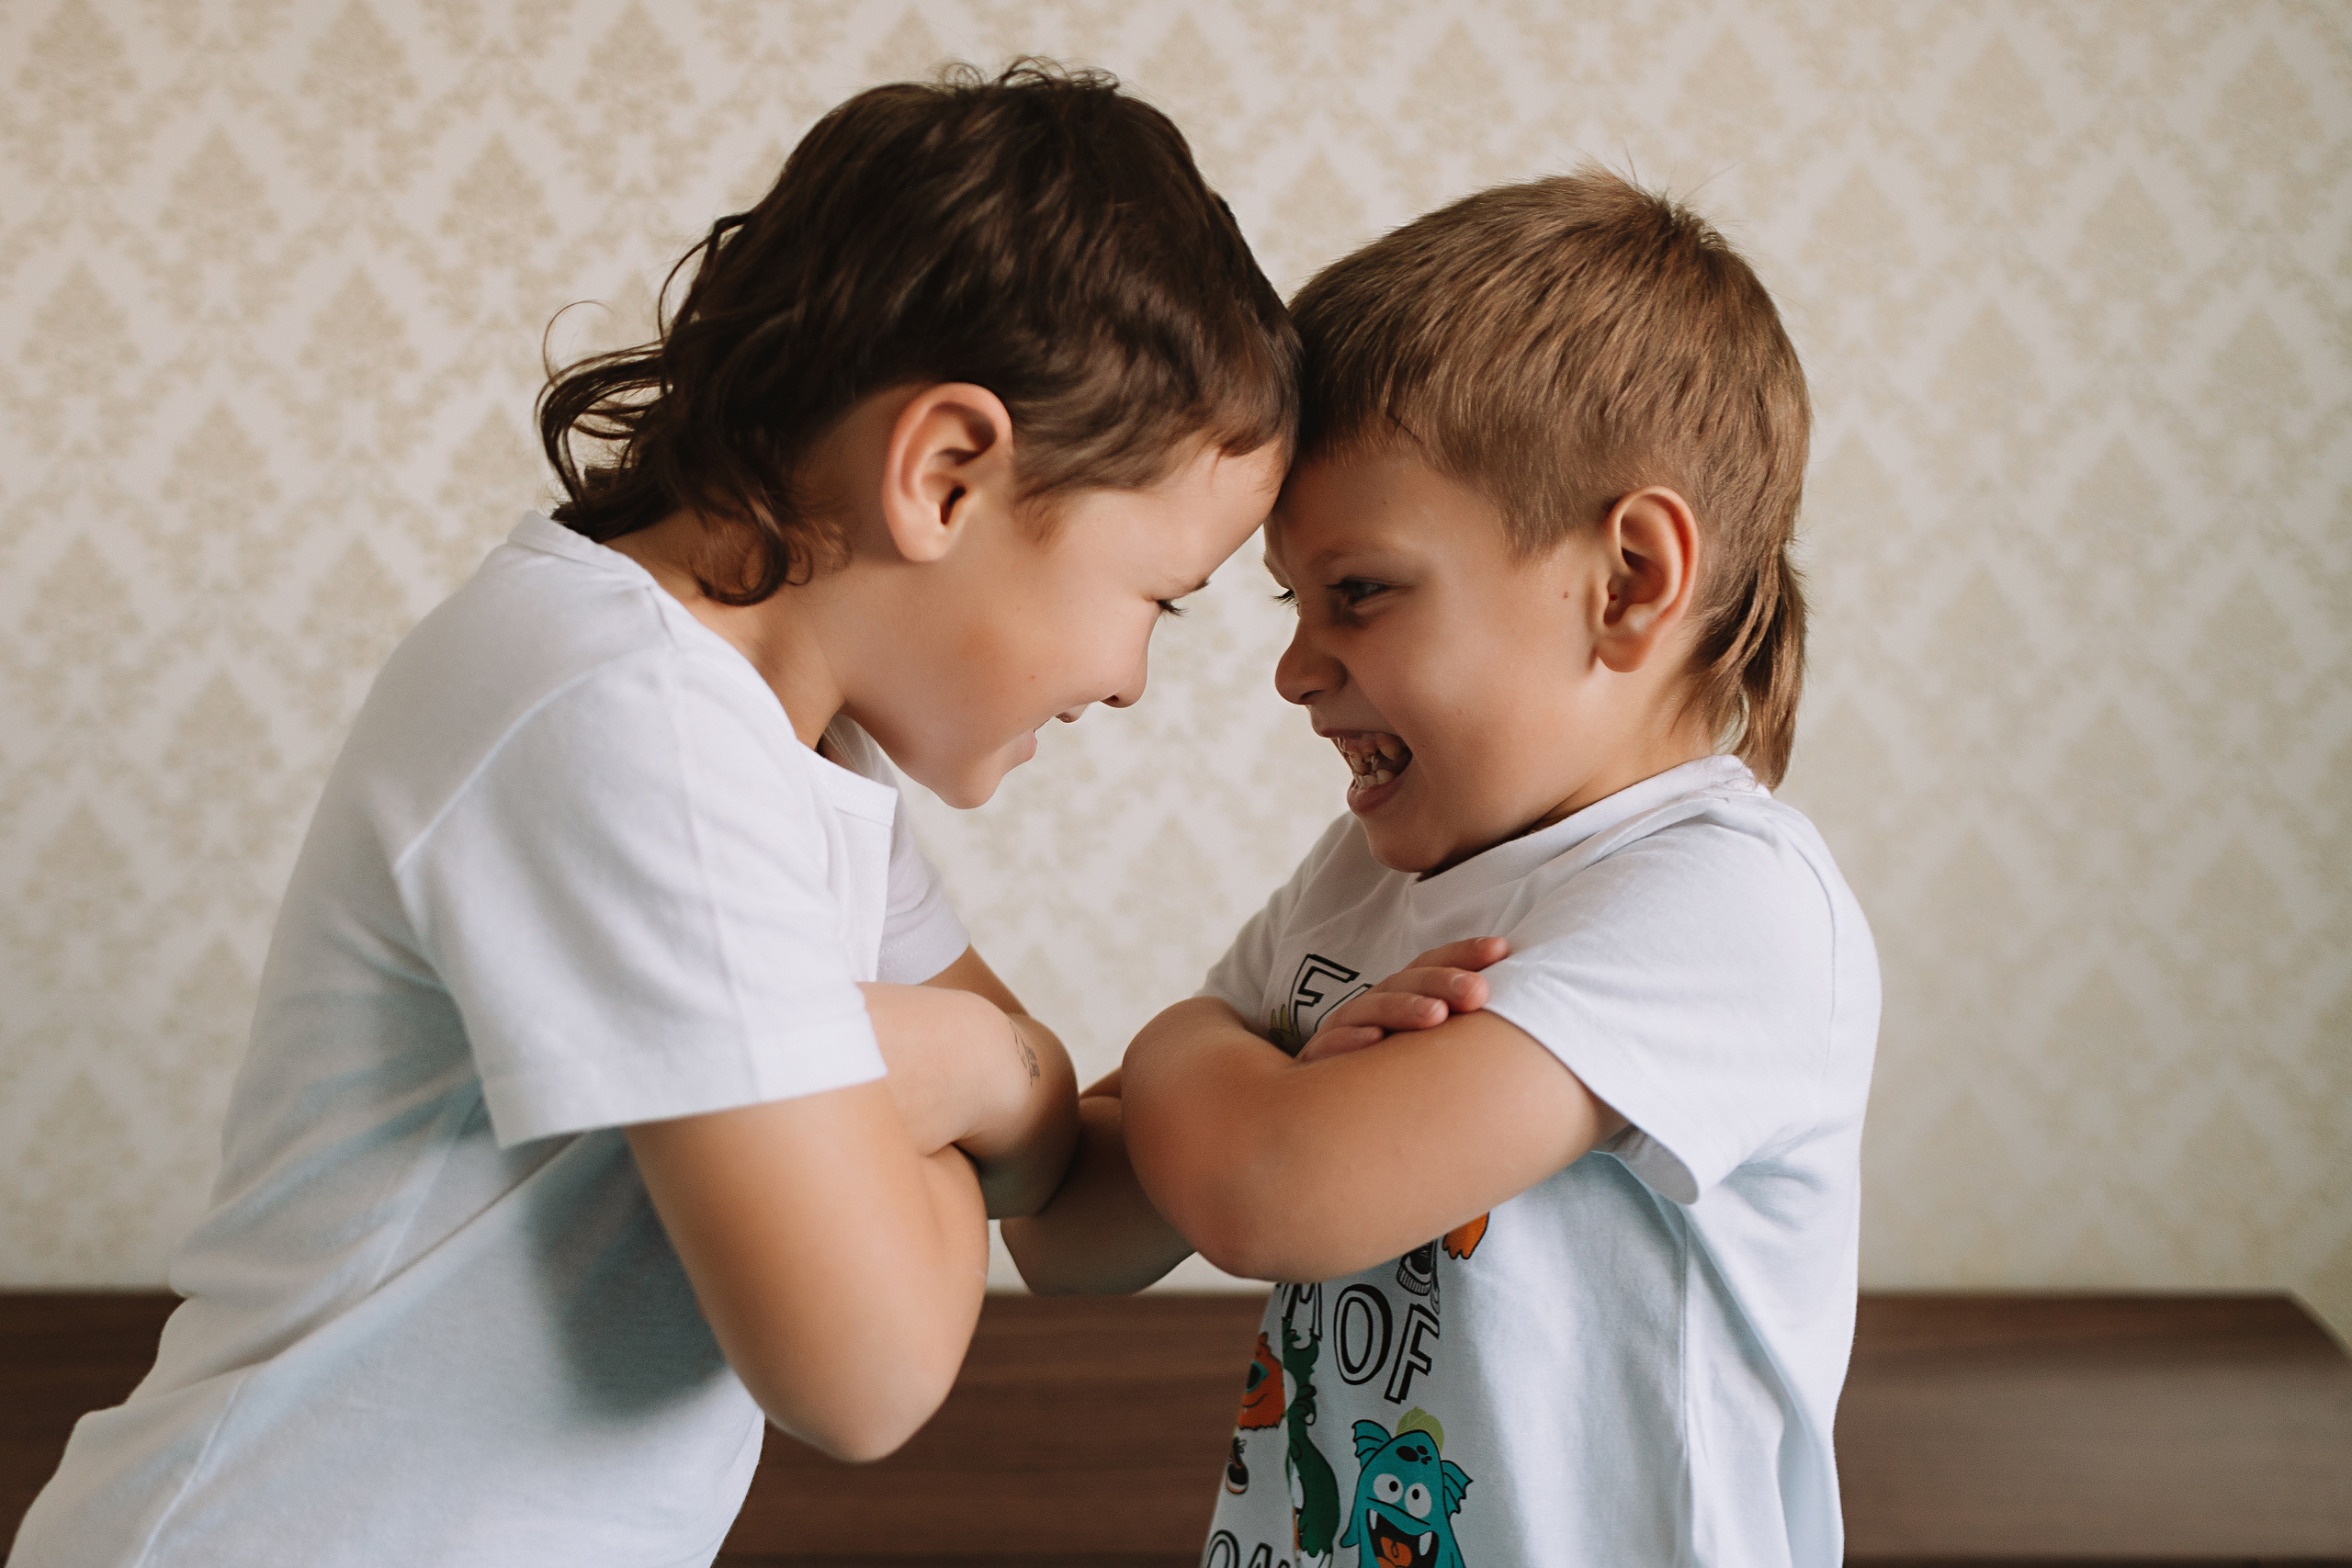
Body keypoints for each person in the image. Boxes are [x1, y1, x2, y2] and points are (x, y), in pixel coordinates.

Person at [12, 63, 1295, 1568]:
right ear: (944, 475)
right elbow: (864, 1374)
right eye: (1157, 597)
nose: (1134, 681)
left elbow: (1058, 1195)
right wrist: (954, 1064)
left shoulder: (800, 760)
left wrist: (1065, 1073)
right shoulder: (623, 712)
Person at [1003, 169, 1879, 1567]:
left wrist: (1187, 1044)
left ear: (1630, 581)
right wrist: (1239, 1088)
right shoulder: (1362, 876)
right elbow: (1073, 1233)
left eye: (1359, 592)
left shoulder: (1724, 902)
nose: (1293, 669)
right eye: (1294, 600)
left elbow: (1274, 1191)